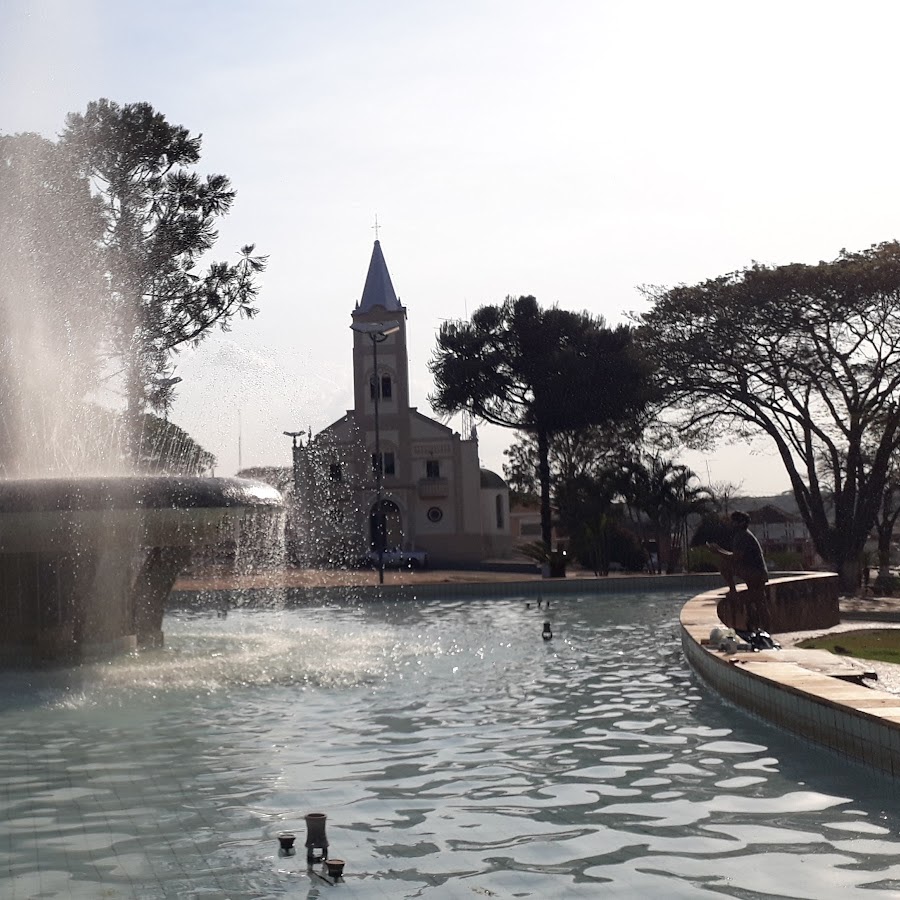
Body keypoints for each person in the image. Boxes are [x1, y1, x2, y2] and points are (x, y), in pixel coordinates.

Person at [707, 511, 769, 633]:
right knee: (757, 601)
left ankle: (733, 590)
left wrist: (718, 550)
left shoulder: (742, 536)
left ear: (739, 523)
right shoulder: (743, 535)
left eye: (733, 521)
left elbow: (736, 557)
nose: (730, 524)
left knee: (724, 565)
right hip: (758, 573)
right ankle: (759, 628)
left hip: (755, 574)